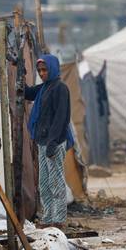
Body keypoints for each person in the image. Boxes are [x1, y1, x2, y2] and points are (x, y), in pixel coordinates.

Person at [25, 54, 72, 229]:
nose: (42, 73)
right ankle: (48, 218)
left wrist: (52, 142)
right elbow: (28, 93)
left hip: (55, 142)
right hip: (43, 142)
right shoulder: (45, 88)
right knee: (44, 183)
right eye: (40, 71)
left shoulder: (60, 88)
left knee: (56, 182)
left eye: (45, 70)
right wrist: (20, 73)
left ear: (52, 68)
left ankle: (59, 220)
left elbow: (61, 118)